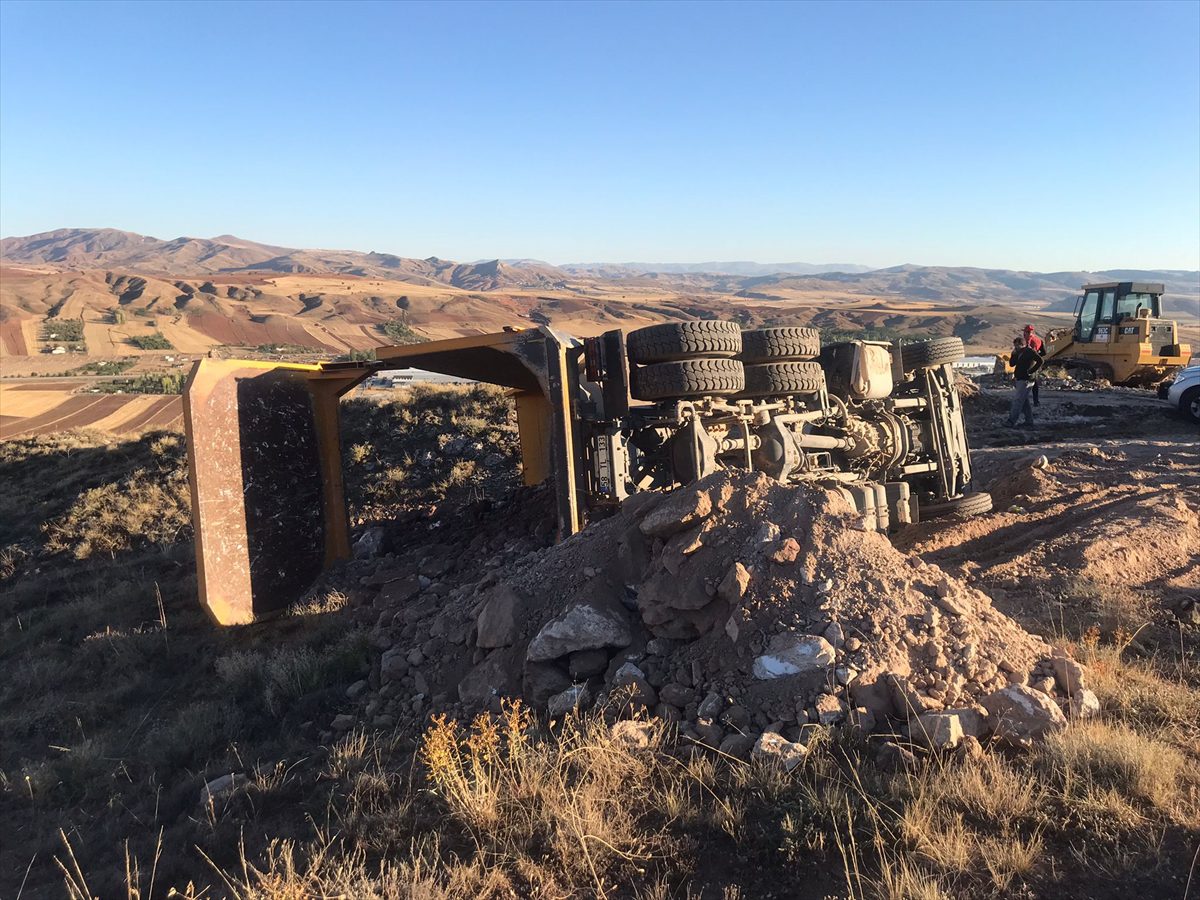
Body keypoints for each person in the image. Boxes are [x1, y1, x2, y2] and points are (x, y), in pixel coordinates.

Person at [1007, 336, 1044, 428]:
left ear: (1022, 345)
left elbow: (1040, 360)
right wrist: (1014, 354)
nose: (1015, 347)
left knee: (1018, 400)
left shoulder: (1029, 352)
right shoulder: (1018, 353)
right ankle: (1029, 421)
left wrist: (1031, 371)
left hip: (1027, 380)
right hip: (1020, 379)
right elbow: (1012, 364)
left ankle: (1011, 421)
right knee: (1024, 401)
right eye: (1015, 346)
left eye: (1017, 346)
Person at [1022, 324, 1046, 406]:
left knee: (1024, 383)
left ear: (1026, 332)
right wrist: (1038, 357)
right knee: (1034, 383)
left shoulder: (1027, 340)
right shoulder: (1039, 340)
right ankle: (1036, 401)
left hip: (1028, 363)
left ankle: (1024, 402)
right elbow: (1044, 352)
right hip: (1036, 364)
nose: (1024, 334)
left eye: (1025, 332)